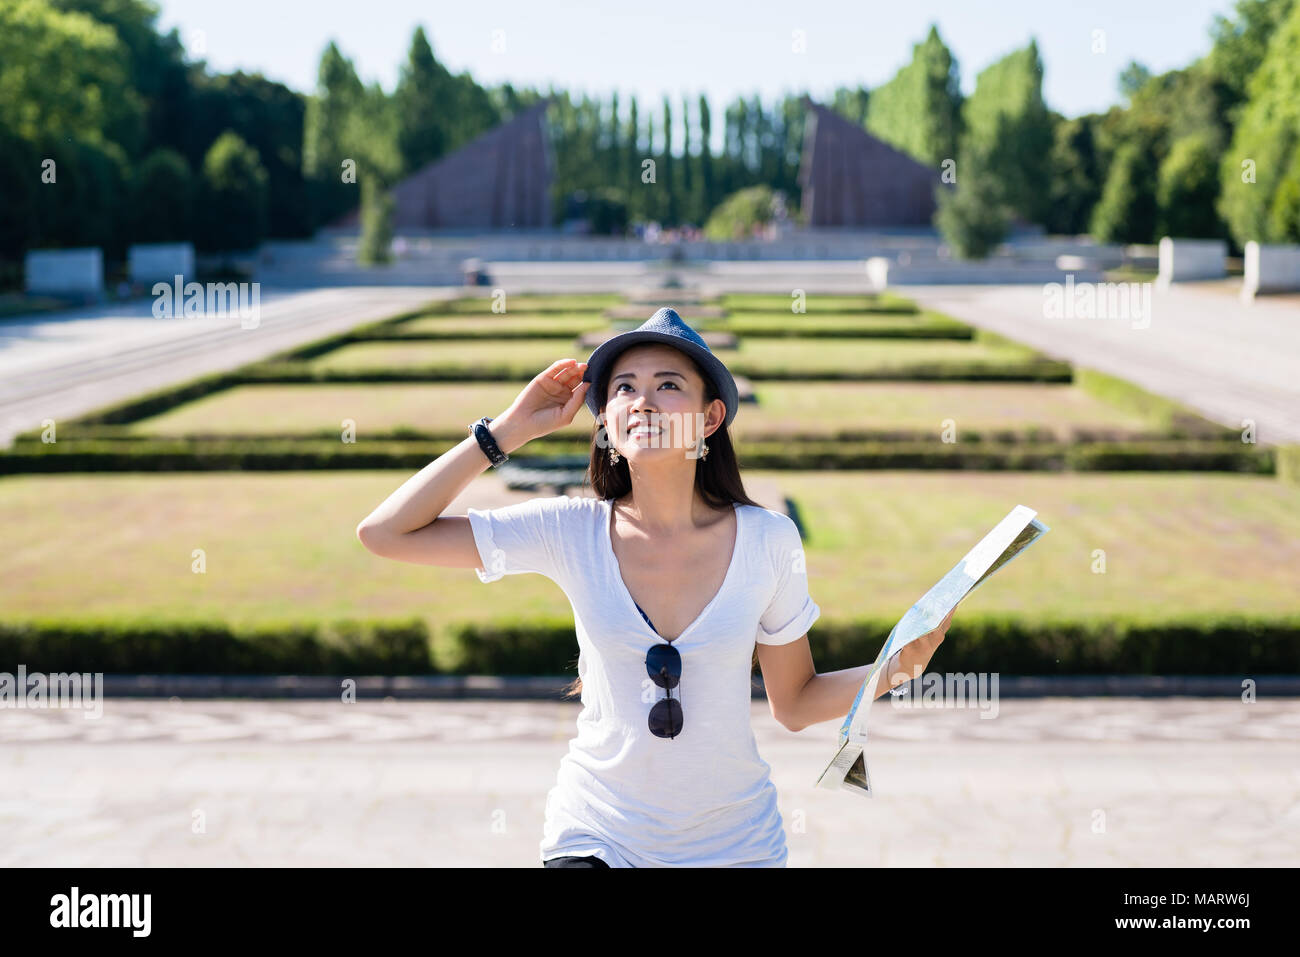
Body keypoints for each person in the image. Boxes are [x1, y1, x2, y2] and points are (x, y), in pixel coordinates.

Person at [355, 307, 953, 867]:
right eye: (623, 388)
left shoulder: (768, 540)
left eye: (668, 384)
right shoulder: (569, 529)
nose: (643, 400)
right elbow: (385, 533)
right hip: (596, 836)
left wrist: (896, 668)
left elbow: (794, 703)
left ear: (710, 418)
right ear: (606, 425)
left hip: (736, 845)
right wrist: (505, 433)